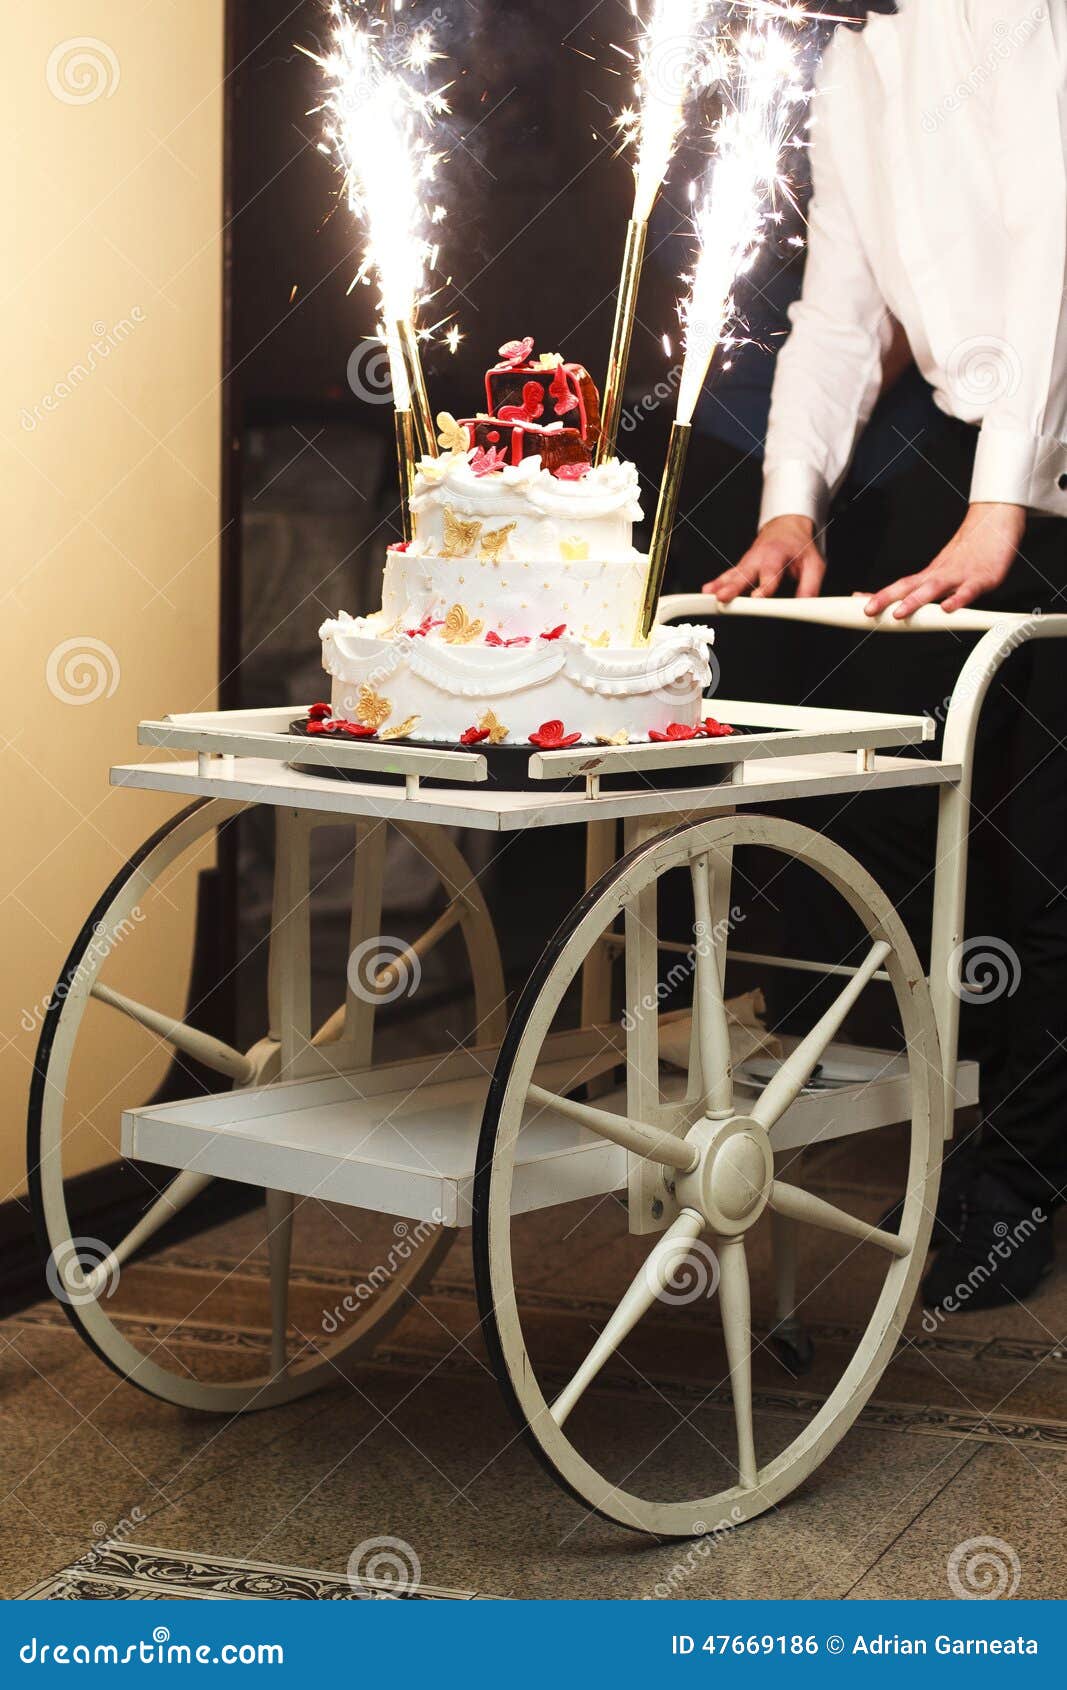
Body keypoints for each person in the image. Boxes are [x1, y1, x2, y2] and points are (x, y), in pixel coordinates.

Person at [704, 0, 1067, 1310]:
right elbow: (842, 306)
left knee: (1046, 860)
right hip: (990, 450)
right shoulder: (849, 58)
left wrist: (1000, 500)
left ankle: (1023, 1184)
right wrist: (787, 502)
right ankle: (970, 1121)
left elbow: (1053, 244)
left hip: (1030, 452)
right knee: (895, 788)